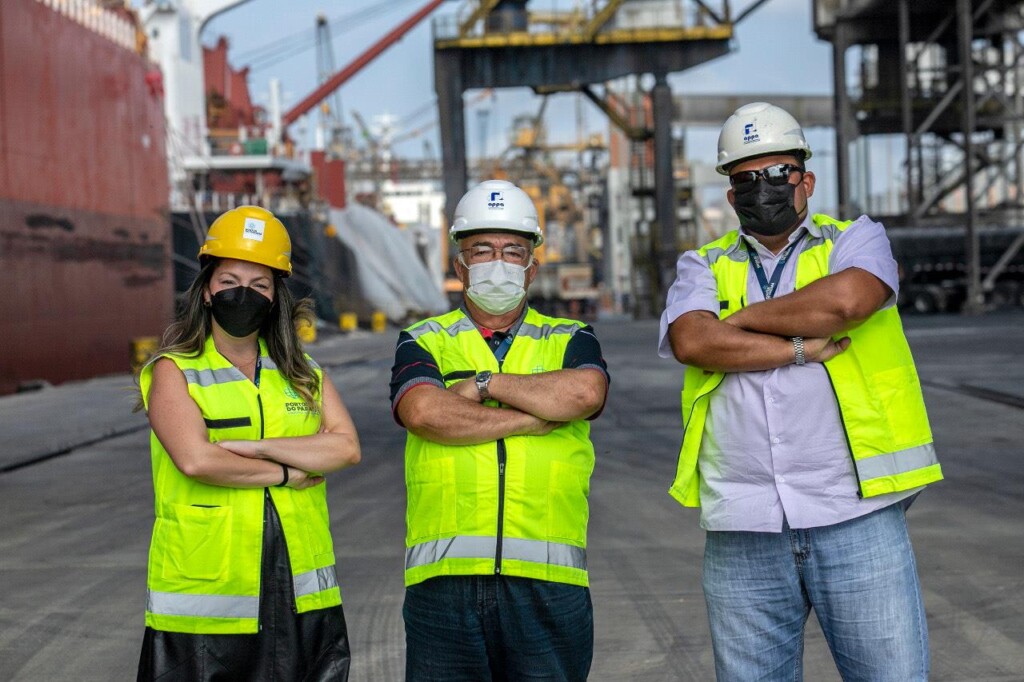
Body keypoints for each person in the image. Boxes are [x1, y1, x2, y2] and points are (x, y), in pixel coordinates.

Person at [660, 102, 943, 680]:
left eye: (776, 174)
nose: (762, 189)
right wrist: (799, 347)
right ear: (731, 192)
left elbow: (845, 303)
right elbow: (693, 342)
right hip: (744, 525)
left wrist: (735, 320)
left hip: (855, 513)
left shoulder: (855, 240)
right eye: (746, 179)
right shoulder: (702, 264)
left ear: (805, 180)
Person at [389, 179, 610, 681]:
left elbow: (583, 395)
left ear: (532, 266)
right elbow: (424, 413)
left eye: (513, 251)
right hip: (443, 582)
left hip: (549, 581)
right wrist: (533, 417)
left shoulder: (570, 337)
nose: (498, 262)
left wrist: (483, 383)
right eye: (482, 249)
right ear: (458, 265)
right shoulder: (423, 339)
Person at [136, 205, 360, 681]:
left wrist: (257, 447)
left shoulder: (303, 374)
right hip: (206, 603)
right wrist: (288, 470)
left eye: (260, 285)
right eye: (230, 281)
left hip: (303, 593)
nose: (245, 294)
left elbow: (345, 448)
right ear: (207, 292)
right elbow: (196, 460)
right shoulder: (175, 371)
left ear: (277, 298)